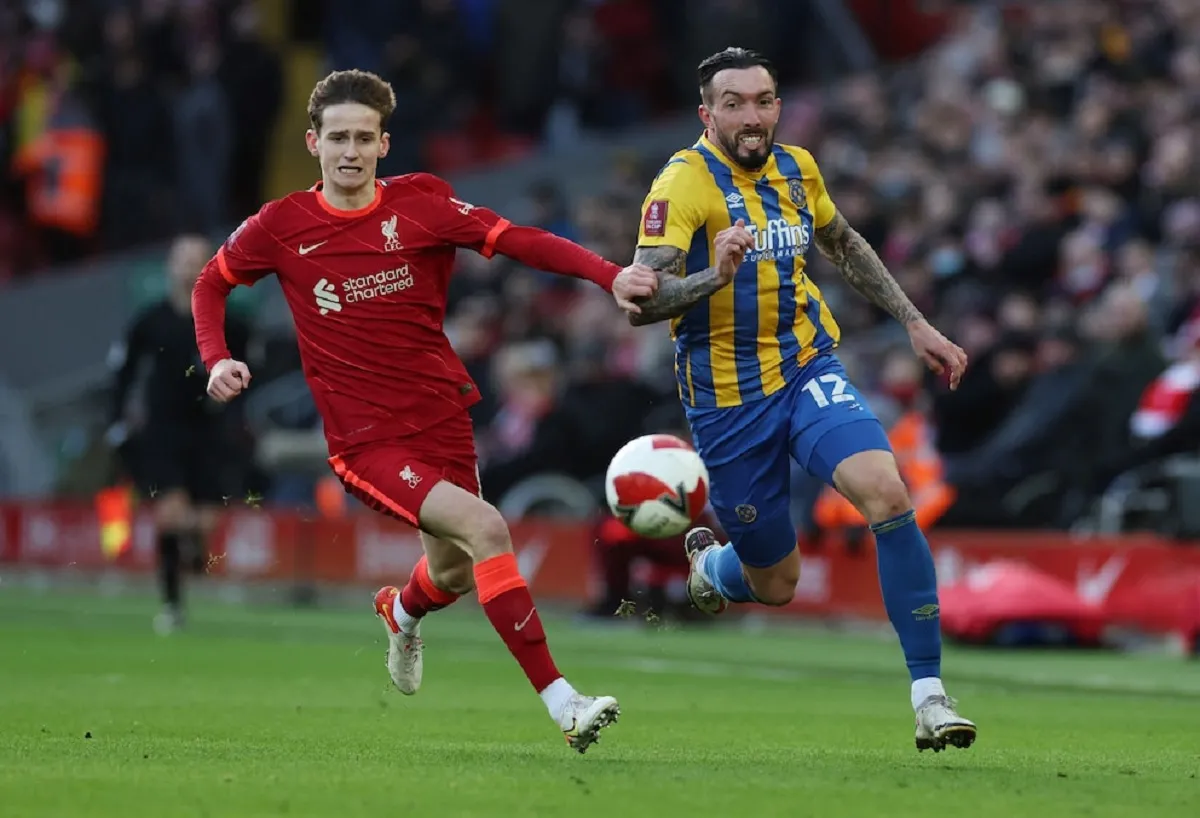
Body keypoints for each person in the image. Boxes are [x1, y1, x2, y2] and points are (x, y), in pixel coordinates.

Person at [191, 69, 658, 754]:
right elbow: (211, 283)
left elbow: (522, 240)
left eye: (364, 138)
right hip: (366, 440)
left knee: (453, 573)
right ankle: (565, 703)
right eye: (337, 138)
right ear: (313, 142)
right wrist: (215, 359)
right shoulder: (280, 226)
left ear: (384, 143)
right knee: (487, 527)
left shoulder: (422, 205)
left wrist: (610, 275)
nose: (350, 151)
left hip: (441, 416)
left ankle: (400, 611)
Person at [628, 48, 977, 753]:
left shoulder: (797, 168)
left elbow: (842, 242)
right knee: (777, 582)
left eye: (763, 101)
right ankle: (714, 567)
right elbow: (643, 302)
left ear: (778, 106)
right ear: (707, 114)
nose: (751, 116)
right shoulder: (683, 183)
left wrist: (915, 323)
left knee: (888, 492)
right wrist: (714, 276)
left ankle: (930, 696)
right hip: (728, 402)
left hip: (806, 366)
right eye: (734, 103)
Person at [107, 234, 251, 634]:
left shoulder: (231, 322)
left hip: (211, 431)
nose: (189, 268)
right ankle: (172, 605)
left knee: (203, 522)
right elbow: (122, 372)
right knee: (171, 515)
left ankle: (192, 551)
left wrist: (238, 420)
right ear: (170, 267)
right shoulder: (149, 322)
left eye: (196, 260)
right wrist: (117, 421)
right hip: (162, 430)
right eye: (182, 260)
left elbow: (247, 375)